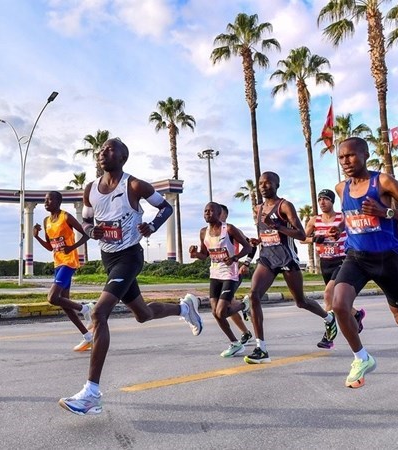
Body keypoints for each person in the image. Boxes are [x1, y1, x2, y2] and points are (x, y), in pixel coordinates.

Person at [58, 138, 202, 416]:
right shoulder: (91, 190)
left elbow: (166, 208)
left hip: (130, 256)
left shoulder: (135, 185)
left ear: (123, 157)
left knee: (99, 314)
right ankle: (185, 307)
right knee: (143, 314)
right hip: (108, 258)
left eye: (110, 149)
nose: (103, 152)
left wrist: (152, 225)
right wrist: (90, 232)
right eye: (101, 150)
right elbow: (86, 221)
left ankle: (91, 393)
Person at [329, 137, 398, 392]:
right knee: (339, 304)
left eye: (351, 156)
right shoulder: (341, 188)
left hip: (386, 260)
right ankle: (362, 358)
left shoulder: (383, 182)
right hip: (357, 258)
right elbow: (352, 216)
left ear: (365, 155)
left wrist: (385, 212)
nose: (346, 162)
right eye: (341, 157)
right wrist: (339, 227)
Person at [243, 171, 337, 364]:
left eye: (268, 183)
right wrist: (257, 240)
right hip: (267, 257)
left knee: (301, 301)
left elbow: (301, 235)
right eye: (261, 183)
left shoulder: (284, 206)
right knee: (253, 295)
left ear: (277, 185)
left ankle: (328, 319)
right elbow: (265, 233)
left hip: (287, 259)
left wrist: (277, 225)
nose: (263, 186)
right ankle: (261, 348)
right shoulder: (258, 209)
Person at [303, 189, 365, 349]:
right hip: (325, 262)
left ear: (332, 201)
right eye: (320, 200)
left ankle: (328, 336)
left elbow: (355, 229)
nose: (322, 202)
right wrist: (314, 239)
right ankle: (356, 313)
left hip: (342, 260)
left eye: (325, 199)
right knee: (335, 300)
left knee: (328, 293)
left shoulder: (342, 218)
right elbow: (302, 238)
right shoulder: (314, 220)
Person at [33, 191, 93, 351]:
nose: (46, 202)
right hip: (58, 263)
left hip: (69, 262)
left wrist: (72, 247)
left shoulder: (66, 217)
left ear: (58, 202)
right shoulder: (46, 221)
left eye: (49, 199)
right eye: (44, 200)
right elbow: (49, 246)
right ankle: (88, 336)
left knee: (52, 298)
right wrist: (36, 236)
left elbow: (87, 234)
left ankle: (86, 308)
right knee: (65, 303)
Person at [190, 202, 252, 357]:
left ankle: (243, 305)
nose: (207, 213)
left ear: (219, 213)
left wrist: (235, 258)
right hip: (214, 275)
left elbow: (248, 247)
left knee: (221, 312)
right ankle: (235, 343)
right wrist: (195, 254)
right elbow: (205, 255)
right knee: (215, 313)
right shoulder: (203, 232)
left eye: (211, 211)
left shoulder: (229, 229)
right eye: (205, 211)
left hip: (230, 275)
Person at [219, 204, 254, 346]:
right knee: (230, 304)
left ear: (225, 216)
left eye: (218, 213)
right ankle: (246, 330)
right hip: (217, 274)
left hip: (232, 273)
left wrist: (246, 263)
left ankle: (248, 329)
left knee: (227, 305)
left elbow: (251, 246)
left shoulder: (231, 230)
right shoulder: (210, 231)